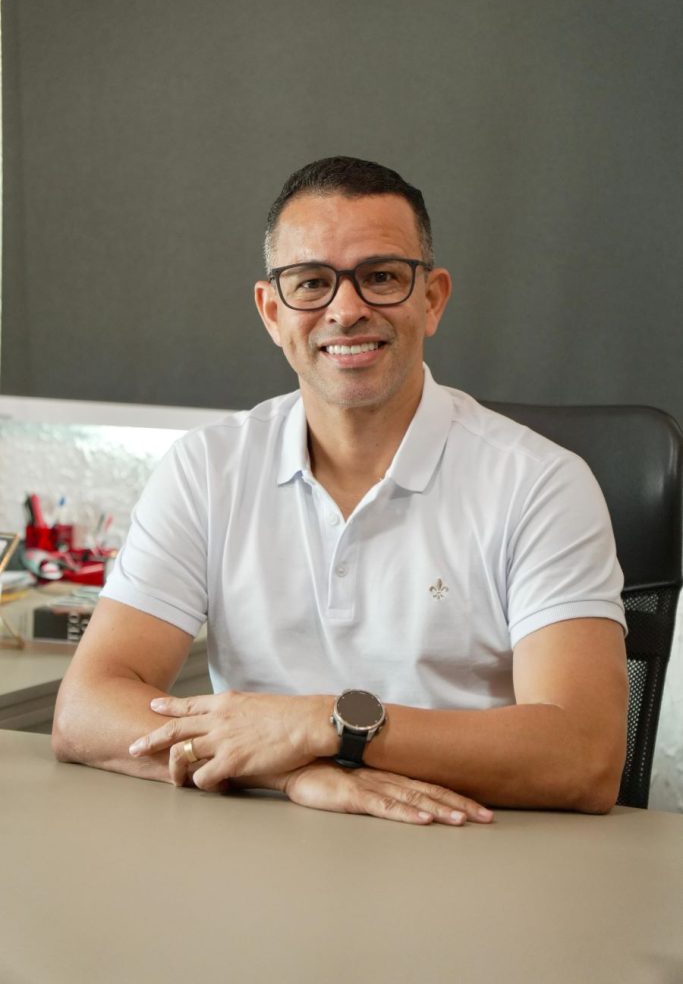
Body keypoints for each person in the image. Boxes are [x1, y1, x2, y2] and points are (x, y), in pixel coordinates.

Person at [52, 156, 628, 825]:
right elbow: (85, 709)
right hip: (262, 846)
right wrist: (296, 772)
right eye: (311, 282)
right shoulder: (206, 468)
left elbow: (584, 756)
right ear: (272, 312)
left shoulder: (541, 483)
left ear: (432, 299)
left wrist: (328, 725)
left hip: (470, 843)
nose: (347, 310)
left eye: (381, 277)